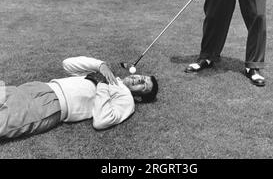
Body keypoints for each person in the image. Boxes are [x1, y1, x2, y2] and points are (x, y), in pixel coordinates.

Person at [0, 56, 158, 140]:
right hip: (41, 87)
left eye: (143, 85)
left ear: (140, 97)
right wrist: (100, 65)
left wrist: (102, 85)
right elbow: (67, 64)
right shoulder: (108, 75)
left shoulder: (126, 99)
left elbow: (101, 121)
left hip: (51, 106)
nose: (139, 80)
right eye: (142, 77)